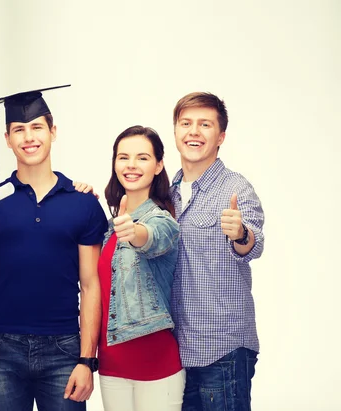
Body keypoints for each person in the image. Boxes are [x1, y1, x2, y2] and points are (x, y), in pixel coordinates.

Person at [0, 85, 108, 411]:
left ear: (53, 132)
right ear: (8, 139)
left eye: (37, 127)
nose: (29, 137)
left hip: (64, 349)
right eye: (19, 130)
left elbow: (91, 284)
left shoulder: (83, 204)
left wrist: (87, 359)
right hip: (0, 348)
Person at [169, 92, 265, 411]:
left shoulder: (236, 189)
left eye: (205, 124)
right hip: (174, 353)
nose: (194, 131)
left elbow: (253, 244)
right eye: (186, 123)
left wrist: (240, 233)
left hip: (222, 350)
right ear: (176, 131)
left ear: (220, 136)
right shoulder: (166, 193)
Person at [98, 125, 185, 411]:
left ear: (159, 165)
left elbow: (150, 238)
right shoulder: (108, 230)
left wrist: (134, 231)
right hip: (111, 365)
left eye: (143, 157)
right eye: (123, 157)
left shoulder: (163, 221)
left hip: (155, 363)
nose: (131, 165)